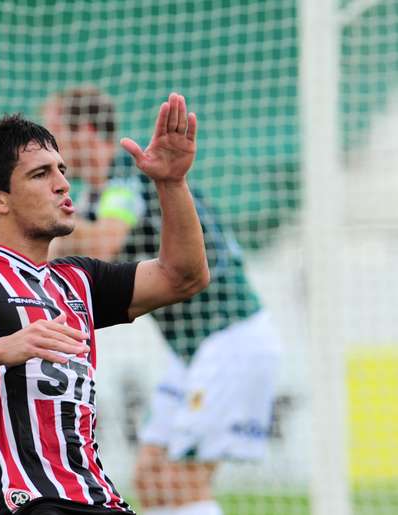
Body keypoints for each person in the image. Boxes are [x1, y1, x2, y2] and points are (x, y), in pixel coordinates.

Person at [0, 93, 210, 515]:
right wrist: (1, 349)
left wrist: (172, 184)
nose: (63, 183)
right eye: (41, 174)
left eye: (62, 170)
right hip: (21, 503)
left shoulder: (79, 279)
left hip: (96, 498)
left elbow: (184, 276)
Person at [43, 88, 282, 515]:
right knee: (152, 480)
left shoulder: (126, 180)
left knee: (182, 483)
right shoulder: (104, 194)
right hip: (194, 349)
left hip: (230, 339)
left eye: (56, 134)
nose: (50, 149)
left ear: (85, 133)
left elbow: (102, 245)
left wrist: (50, 227)